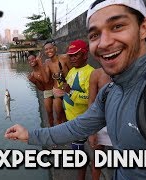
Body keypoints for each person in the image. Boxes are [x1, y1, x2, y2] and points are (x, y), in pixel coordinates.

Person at [5, 0, 146, 179]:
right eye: (94, 34)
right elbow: (77, 126)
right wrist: (30, 135)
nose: (105, 42)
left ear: (144, 28)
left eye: (117, 26)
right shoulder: (110, 92)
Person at [61, 39, 95, 180]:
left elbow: (90, 97)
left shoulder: (92, 73)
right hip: (71, 120)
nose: (72, 58)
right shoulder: (72, 71)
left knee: (78, 156)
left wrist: (69, 92)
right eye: (70, 55)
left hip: (81, 122)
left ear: (85, 55)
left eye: (76, 55)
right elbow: (66, 88)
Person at [87, 68, 112, 180]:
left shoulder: (130, 70)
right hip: (101, 123)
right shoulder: (96, 74)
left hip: (120, 122)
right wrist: (92, 131)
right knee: (97, 159)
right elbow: (91, 102)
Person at [43, 40, 72, 124]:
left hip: (68, 89)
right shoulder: (47, 62)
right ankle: (61, 133)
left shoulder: (65, 57)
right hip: (57, 91)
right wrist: (40, 66)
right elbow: (47, 79)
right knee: (59, 114)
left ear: (55, 48)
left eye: (50, 48)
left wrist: (66, 80)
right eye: (46, 49)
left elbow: (72, 71)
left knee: (69, 113)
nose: (48, 51)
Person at [27, 53, 55, 127]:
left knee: (59, 111)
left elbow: (46, 80)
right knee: (48, 111)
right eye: (29, 60)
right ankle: (52, 128)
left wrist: (40, 64)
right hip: (47, 91)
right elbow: (42, 88)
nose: (31, 61)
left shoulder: (45, 66)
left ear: (36, 58)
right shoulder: (33, 74)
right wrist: (34, 81)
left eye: (33, 59)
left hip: (55, 88)